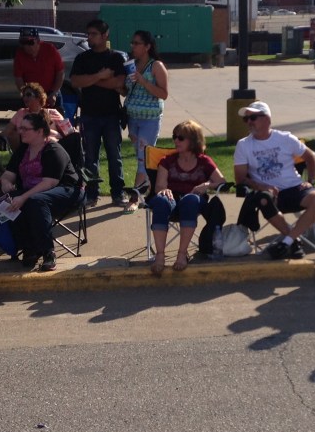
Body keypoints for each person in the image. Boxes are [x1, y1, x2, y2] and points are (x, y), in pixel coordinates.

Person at [233, 101, 315, 260]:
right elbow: (240, 178)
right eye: (246, 119)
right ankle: (293, 242)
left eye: (253, 117)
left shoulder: (285, 138)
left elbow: (311, 157)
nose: (249, 122)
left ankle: (287, 242)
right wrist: (261, 186)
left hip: (295, 188)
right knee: (263, 199)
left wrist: (310, 180)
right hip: (270, 195)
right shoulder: (243, 145)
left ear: (267, 119)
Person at [0, 111, 82, 272]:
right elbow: (8, 174)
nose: (20, 132)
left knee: (36, 201)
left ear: (40, 131)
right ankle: (28, 248)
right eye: (20, 128)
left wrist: (23, 197)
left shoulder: (53, 150)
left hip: (67, 191)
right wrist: (6, 183)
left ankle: (48, 252)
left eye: (25, 129)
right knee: (7, 201)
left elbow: (49, 183)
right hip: (33, 193)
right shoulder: (23, 150)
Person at [146, 119, 225, 275]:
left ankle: (182, 254)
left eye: (181, 137)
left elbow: (221, 181)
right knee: (161, 201)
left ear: (193, 140)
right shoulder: (167, 161)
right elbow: (159, 186)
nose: (176, 140)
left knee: (191, 200)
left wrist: (206, 185)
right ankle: (160, 256)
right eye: (174, 136)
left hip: (193, 202)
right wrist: (164, 191)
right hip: (171, 202)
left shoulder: (204, 161)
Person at [70, 19, 127, 206]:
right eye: (88, 34)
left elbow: (118, 83)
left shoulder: (116, 58)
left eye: (93, 34)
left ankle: (117, 194)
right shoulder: (83, 58)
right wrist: (99, 76)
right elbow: (76, 81)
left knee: (114, 156)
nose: (89, 37)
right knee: (90, 158)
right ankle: (91, 194)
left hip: (111, 115)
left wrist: (92, 81)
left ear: (105, 35)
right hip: (89, 115)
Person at [123, 30, 169, 212]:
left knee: (143, 158)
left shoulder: (156, 66)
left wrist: (143, 81)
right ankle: (150, 191)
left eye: (137, 43)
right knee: (142, 158)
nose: (133, 46)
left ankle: (134, 197)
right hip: (133, 119)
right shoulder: (131, 65)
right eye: (132, 43)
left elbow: (163, 94)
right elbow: (127, 91)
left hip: (150, 119)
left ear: (147, 46)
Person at [2, 82, 69, 150]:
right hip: (26, 148)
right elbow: (7, 131)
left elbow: (68, 131)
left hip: (50, 147)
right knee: (13, 134)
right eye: (23, 95)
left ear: (39, 97)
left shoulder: (52, 113)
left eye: (28, 95)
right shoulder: (21, 112)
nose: (25, 97)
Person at [12, 27, 65, 108]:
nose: (26, 46)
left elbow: (60, 73)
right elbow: (18, 78)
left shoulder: (50, 50)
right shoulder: (20, 55)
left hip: (51, 92)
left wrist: (54, 93)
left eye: (30, 42)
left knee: (58, 118)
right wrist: (26, 95)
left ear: (38, 41)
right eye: (23, 42)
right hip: (32, 96)